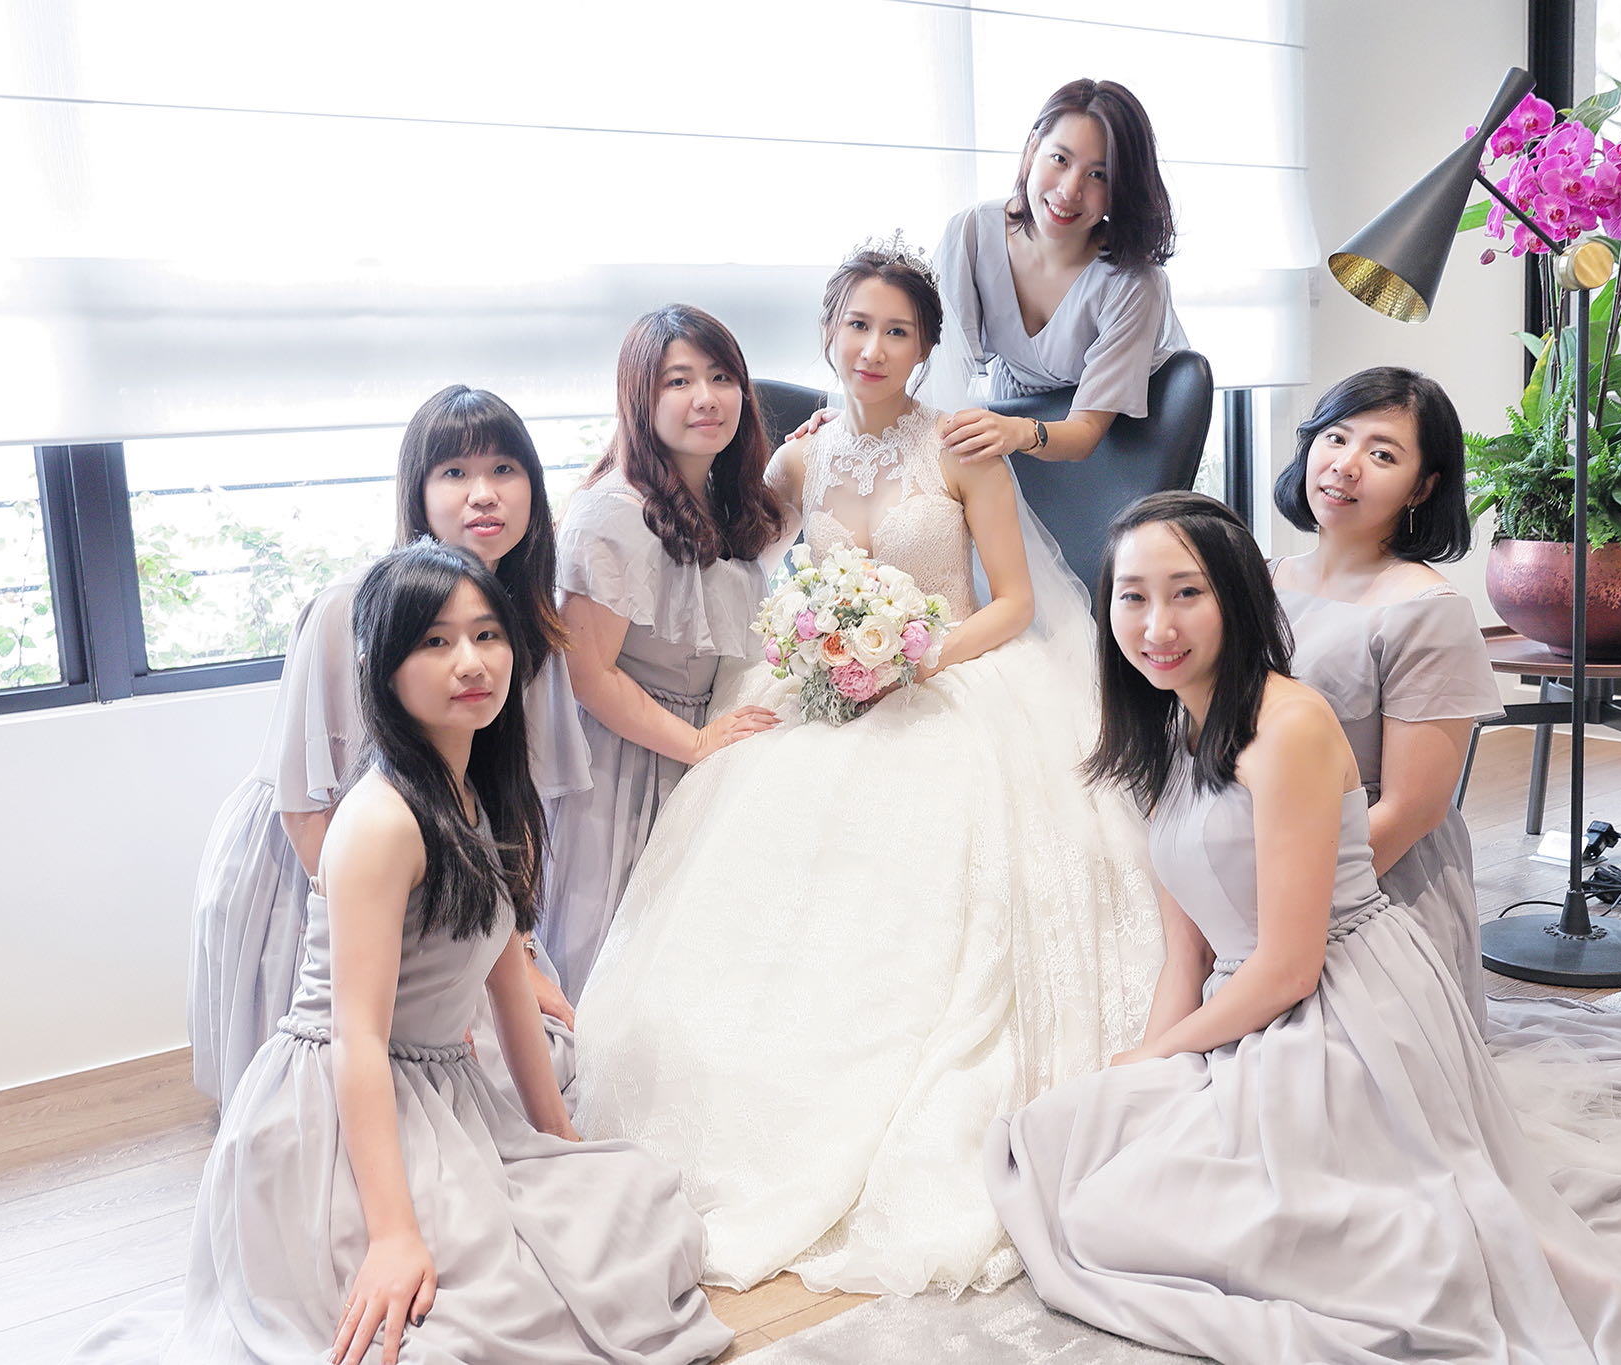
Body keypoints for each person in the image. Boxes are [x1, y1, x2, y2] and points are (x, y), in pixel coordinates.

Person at [985, 491, 1621, 1363]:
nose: (1157, 625)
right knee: (1066, 1141)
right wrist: (1149, 1065)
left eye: (1187, 592)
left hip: (1338, 1012)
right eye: (1132, 596)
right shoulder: (1167, 722)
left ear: (1235, 596)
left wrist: (1166, 1054)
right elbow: (1186, 950)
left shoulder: (1288, 726)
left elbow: (1288, 967)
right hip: (1247, 1005)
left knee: (1131, 1218)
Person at [568, 241, 1161, 1297]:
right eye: (856, 325)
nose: (873, 347)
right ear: (827, 334)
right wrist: (824, 650)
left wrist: (913, 657)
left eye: (898, 331)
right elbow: (731, 555)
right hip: (826, 688)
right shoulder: (797, 463)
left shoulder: (964, 447)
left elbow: (1014, 603)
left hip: (954, 680)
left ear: (926, 348)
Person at [70, 541, 729, 1365]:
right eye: (435, 641)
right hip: (332, 1115)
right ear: (383, 668)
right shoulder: (380, 819)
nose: (471, 662)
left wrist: (556, 1131)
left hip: (440, 1094)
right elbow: (357, 1038)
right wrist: (392, 1234)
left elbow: (506, 978)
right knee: (488, 1320)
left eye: (487, 634)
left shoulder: (482, 789)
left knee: (634, 1211)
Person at [187, 385, 586, 1111]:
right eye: (454, 472)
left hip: (439, 869)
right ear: (417, 493)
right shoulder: (350, 607)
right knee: (330, 1104)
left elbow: (512, 797)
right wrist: (424, 981)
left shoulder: (526, 619)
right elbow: (309, 805)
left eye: (504, 469)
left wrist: (515, 947)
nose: (484, 494)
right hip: (320, 858)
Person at [541, 305, 786, 1000]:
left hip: (692, 746)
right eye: (678, 381)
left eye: (721, 377)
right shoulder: (614, 512)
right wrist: (698, 742)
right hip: (623, 765)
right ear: (639, 398)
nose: (706, 398)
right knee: (612, 968)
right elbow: (588, 675)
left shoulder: (721, 497)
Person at [1267, 367, 1501, 1027]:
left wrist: (1281, 899)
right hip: (1261, 848)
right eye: (1336, 437)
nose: (1345, 465)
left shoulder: (1427, 610)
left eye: (1383, 454)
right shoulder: (1259, 578)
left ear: (1423, 487)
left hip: (1372, 888)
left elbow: (1412, 809)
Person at [932, 77, 1189, 464]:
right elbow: (939, 371)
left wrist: (1019, 431)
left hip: (1113, 450)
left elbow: (1086, 432)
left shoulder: (1135, 283)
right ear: (1032, 149)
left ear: (1121, 188)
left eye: (1098, 175)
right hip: (1010, 429)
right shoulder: (972, 233)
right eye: (1060, 160)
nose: (1070, 191)